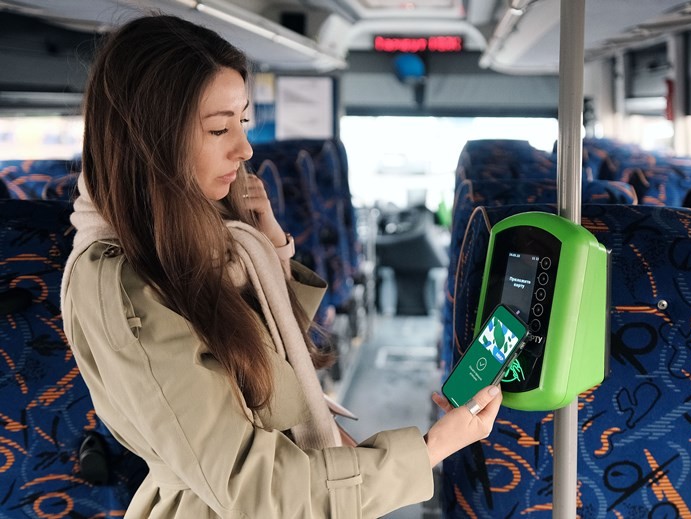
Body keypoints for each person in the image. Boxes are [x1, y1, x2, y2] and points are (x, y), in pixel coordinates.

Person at [60, 14, 502, 518]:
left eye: (243, 122)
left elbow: (264, 361)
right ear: (150, 139)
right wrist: (431, 450)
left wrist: (271, 249)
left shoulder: (208, 236)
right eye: (219, 128)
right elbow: (255, 490)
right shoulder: (125, 285)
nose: (244, 147)